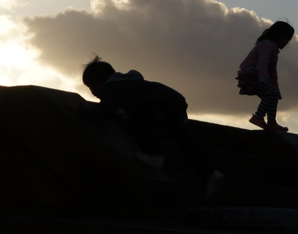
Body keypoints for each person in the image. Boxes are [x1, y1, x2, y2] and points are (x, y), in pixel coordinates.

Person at [79, 56, 225, 197]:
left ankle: (153, 154)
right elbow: (115, 109)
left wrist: (81, 111)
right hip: (173, 100)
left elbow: (103, 111)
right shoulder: (129, 84)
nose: (92, 93)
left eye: (91, 87)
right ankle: (210, 173)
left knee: (137, 118)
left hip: (156, 105)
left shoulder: (112, 88)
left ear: (99, 81)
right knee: (184, 139)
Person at [236, 20, 294, 131]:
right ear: (278, 35)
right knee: (272, 93)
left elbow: (272, 71)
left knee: (274, 95)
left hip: (257, 76)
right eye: (286, 38)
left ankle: (271, 122)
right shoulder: (267, 45)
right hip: (251, 76)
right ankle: (258, 117)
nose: (287, 42)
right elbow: (262, 64)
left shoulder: (273, 48)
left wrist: (274, 86)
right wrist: (264, 80)